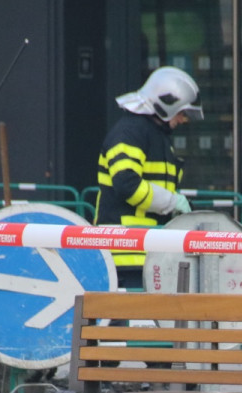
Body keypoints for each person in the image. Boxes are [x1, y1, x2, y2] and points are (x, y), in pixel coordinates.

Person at [94, 66, 202, 289]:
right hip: (126, 254)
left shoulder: (154, 136)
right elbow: (126, 183)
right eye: (182, 113)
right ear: (166, 106)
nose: (184, 120)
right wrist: (173, 202)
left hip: (147, 253)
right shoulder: (129, 133)